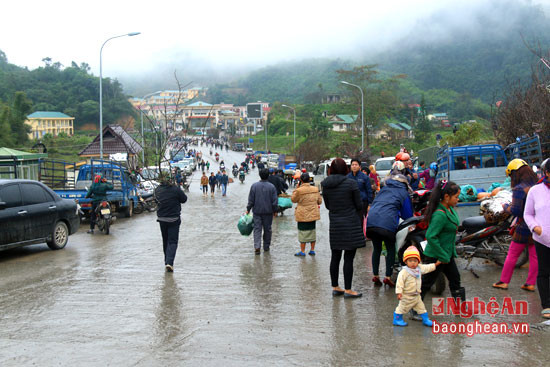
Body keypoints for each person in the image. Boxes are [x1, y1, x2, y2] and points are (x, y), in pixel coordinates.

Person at [321, 158, 364, 298]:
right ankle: (348, 290)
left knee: (335, 256)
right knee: (349, 258)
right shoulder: (351, 183)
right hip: (351, 223)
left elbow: (327, 206)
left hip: (335, 224)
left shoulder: (325, 184)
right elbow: (359, 205)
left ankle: (335, 287)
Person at [493, 159, 539, 291]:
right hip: (536, 225)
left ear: (515, 173)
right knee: (534, 255)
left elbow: (516, 211)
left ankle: (504, 281)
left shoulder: (520, 189)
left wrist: (506, 206)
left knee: (512, 254)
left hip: (523, 225)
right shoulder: (537, 185)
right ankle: (530, 283)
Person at [366, 164, 413, 287]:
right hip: (386, 224)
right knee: (391, 248)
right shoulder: (403, 193)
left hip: (371, 222)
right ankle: (388, 276)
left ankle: (375, 275)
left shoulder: (383, 189)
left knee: (376, 249)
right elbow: (408, 215)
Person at [421, 180, 464, 307]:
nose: (458, 199)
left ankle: (460, 307)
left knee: (455, 279)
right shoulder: (440, 215)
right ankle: (414, 309)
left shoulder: (449, 209)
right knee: (426, 283)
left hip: (447, 254)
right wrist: (443, 256)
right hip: (436, 256)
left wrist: (448, 255)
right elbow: (430, 236)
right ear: (446, 197)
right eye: (456, 197)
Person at [524, 158, 550, 319]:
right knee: (544, 272)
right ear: (547, 173)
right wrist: (535, 227)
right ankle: (546, 305)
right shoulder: (535, 191)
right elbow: (528, 214)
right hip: (542, 238)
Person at [393, 246, 441, 327]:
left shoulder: (419, 268)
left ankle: (426, 320)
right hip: (406, 296)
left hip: (416, 295)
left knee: (421, 308)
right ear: (406, 261)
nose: (413, 263)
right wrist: (399, 293)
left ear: (418, 261)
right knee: (401, 308)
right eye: (410, 261)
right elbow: (399, 283)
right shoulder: (404, 272)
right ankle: (397, 319)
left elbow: (428, 267)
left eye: (415, 261)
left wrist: (436, 264)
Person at [154, 175, 187, 272]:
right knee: (172, 241)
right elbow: (184, 199)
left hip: (161, 219)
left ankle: (166, 261)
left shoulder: (157, 190)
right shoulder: (175, 189)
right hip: (173, 219)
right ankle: (169, 262)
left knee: (165, 240)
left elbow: (156, 201)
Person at [246, 169, 279, 254]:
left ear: (260, 175)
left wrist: (248, 209)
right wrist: (275, 210)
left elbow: (251, 200)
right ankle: (266, 246)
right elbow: (274, 201)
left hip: (257, 212)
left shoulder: (254, 186)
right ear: (268, 175)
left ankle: (257, 247)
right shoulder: (272, 187)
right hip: (268, 212)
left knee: (257, 229)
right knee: (267, 229)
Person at [291, 173, 322, 256]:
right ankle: (312, 250)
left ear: (301, 180)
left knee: (302, 232)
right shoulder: (315, 189)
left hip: (302, 214)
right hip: (312, 213)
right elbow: (320, 201)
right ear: (309, 180)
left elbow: (293, 200)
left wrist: (296, 188)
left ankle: (302, 251)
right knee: (312, 231)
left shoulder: (299, 190)